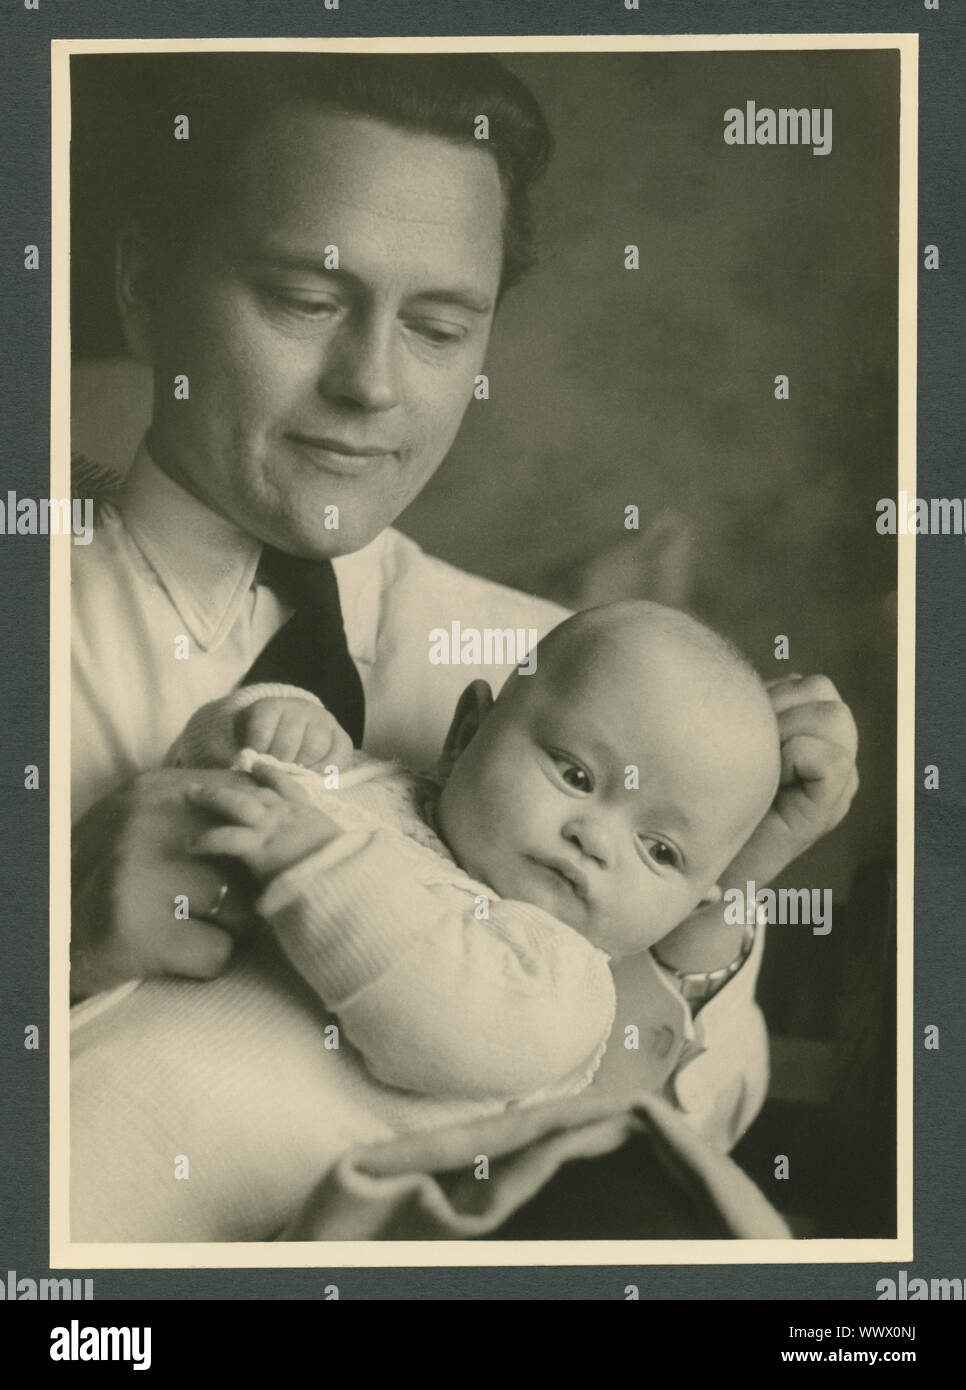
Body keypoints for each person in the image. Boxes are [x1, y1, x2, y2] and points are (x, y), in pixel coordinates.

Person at [70, 54, 858, 1170]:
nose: (373, 385)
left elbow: (698, 1118)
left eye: (438, 327)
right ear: (146, 286)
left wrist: (727, 884)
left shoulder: (574, 682)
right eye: (306, 299)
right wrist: (48, 937)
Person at [71, 601, 782, 1241]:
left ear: (692, 906)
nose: (595, 839)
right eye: (575, 775)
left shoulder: (561, 985)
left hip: (184, 1218)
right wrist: (263, 718)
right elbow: (205, 782)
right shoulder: (371, 787)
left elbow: (444, 1020)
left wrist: (319, 862)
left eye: (659, 850)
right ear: (466, 732)